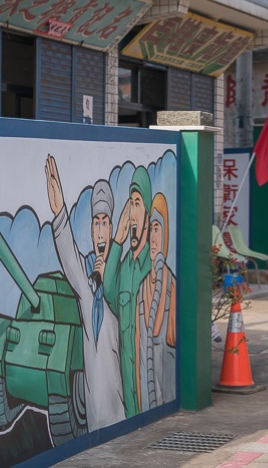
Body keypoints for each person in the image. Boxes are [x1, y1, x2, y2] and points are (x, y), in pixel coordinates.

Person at [44, 157, 126, 430]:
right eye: (96, 224)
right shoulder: (87, 277)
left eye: (105, 223)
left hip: (123, 411)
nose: (100, 231)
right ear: (91, 231)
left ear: (112, 229)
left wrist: (108, 275)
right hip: (94, 414)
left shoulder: (121, 277)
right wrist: (59, 211)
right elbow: (69, 256)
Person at [104, 166, 153, 417]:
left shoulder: (152, 266)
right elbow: (109, 292)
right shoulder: (126, 267)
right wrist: (117, 241)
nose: (132, 213)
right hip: (129, 405)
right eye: (130, 204)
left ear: (147, 213)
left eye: (137, 203)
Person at [137, 193, 177, 411]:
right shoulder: (141, 290)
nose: (153, 238)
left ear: (166, 234)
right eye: (150, 228)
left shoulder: (172, 288)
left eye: (158, 229)